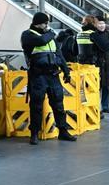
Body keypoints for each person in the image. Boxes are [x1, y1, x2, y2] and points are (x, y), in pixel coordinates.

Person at [20, 12, 77, 145]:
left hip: (53, 75)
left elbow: (59, 55)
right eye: (45, 23)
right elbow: (41, 41)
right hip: (38, 76)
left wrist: (66, 71)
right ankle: (34, 133)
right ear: (37, 23)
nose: (47, 26)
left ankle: (63, 131)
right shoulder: (28, 35)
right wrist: (51, 33)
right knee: (36, 106)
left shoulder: (49, 37)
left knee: (58, 105)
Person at [93, 18, 109, 113]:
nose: (102, 25)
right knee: (97, 86)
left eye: (103, 23)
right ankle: (96, 107)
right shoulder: (94, 35)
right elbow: (104, 47)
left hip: (108, 63)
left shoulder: (108, 34)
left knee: (106, 85)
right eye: (99, 23)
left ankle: (105, 106)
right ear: (95, 25)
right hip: (98, 63)